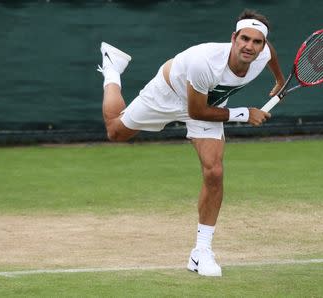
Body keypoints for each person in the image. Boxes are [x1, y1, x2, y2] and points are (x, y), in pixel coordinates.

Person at [97, 9, 285, 277]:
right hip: (169, 94)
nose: (249, 46)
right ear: (233, 38)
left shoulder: (263, 53)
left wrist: (278, 79)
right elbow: (196, 112)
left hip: (209, 103)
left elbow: (272, 55)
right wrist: (244, 114)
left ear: (263, 45)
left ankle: (202, 252)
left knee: (214, 171)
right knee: (116, 131)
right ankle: (112, 69)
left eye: (257, 42)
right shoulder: (204, 61)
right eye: (244, 39)